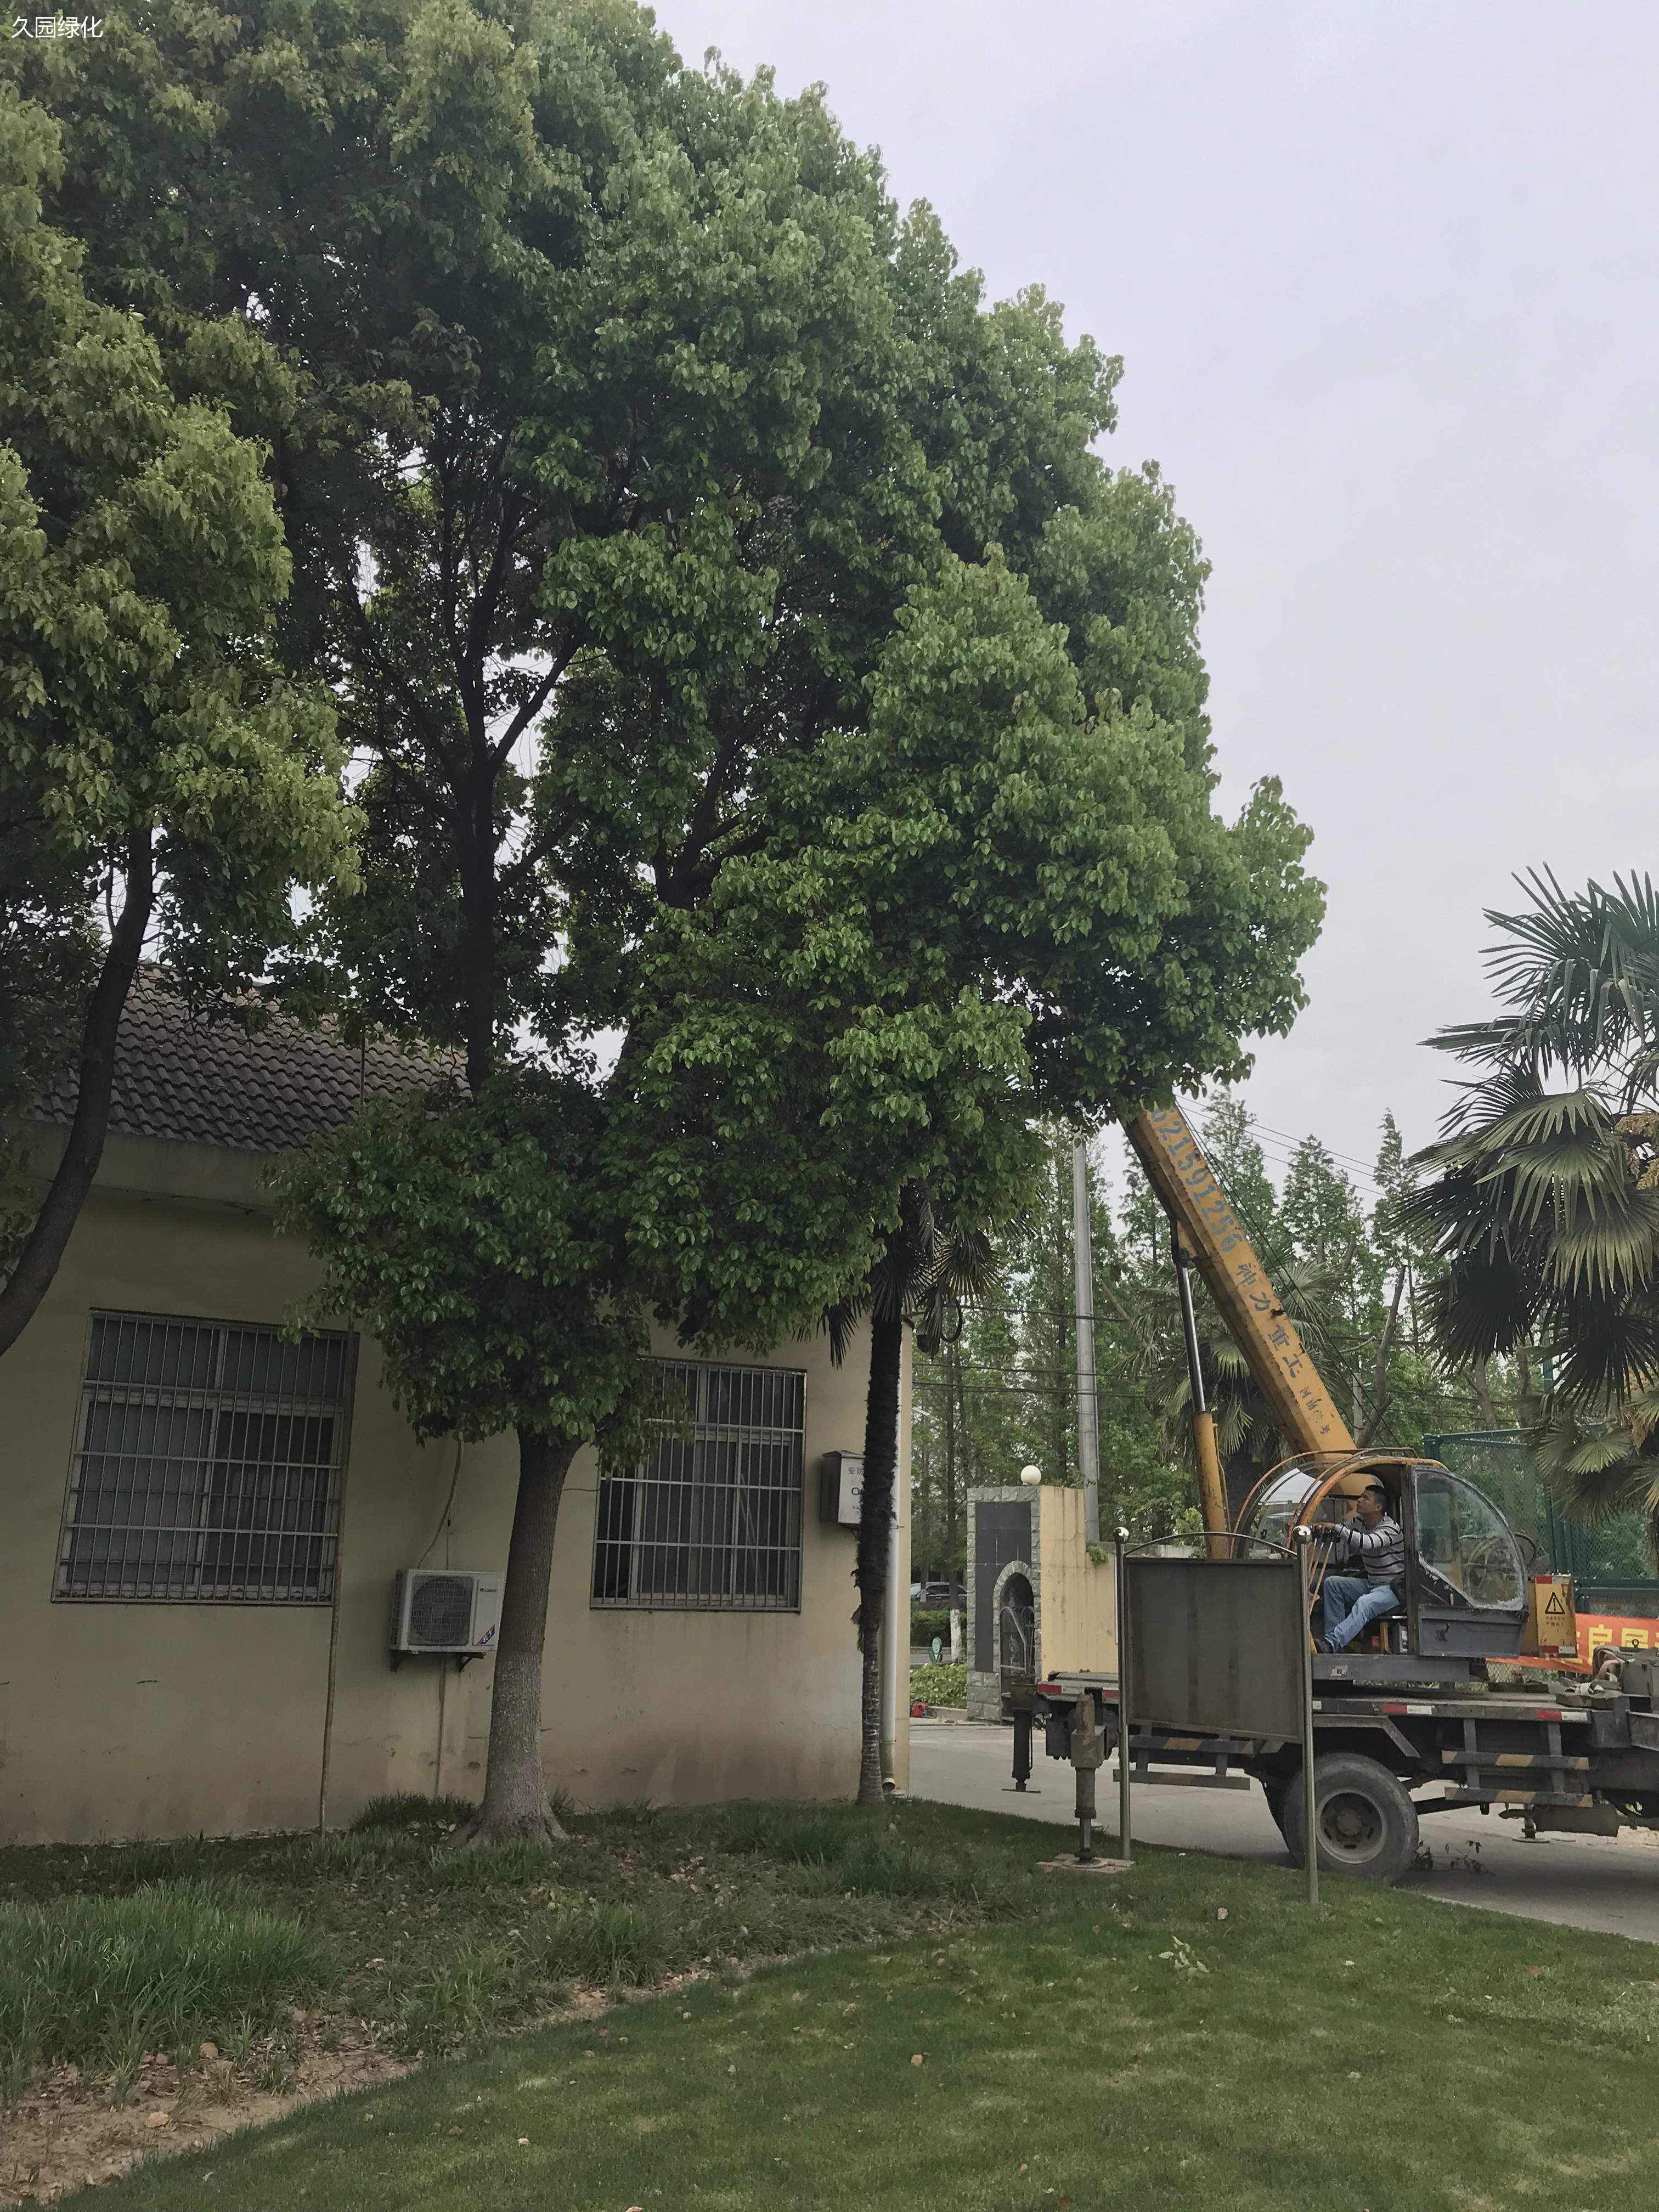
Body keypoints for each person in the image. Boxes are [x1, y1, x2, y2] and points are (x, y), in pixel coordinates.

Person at [1316, 1481, 1406, 1652]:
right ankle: (1335, 1647)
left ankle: (1331, 1643)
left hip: (1392, 1589)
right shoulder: (1360, 1522)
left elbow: (1367, 1543)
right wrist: (1315, 1529)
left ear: (1378, 1507)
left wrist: (1336, 1528)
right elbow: (1339, 1533)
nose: (1359, 1500)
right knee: (1332, 1584)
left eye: (1365, 1498)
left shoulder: (1390, 1529)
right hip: (1372, 1583)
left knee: (1365, 1603)